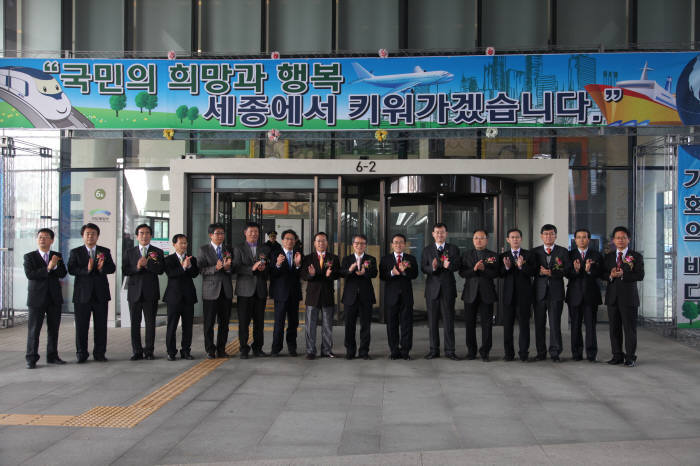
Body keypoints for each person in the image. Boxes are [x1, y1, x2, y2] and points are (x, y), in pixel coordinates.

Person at [67, 223, 116, 363]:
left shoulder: (104, 251)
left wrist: (101, 268)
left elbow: (112, 268)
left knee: (101, 327)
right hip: (82, 296)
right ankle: (81, 354)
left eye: (93, 233)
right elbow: (71, 269)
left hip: (100, 295)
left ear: (97, 236)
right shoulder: (76, 252)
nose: (90, 236)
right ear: (83, 236)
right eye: (87, 233)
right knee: (82, 327)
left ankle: (100, 353)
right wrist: (87, 269)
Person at [23, 228, 67, 369]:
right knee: (34, 330)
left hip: (54, 298)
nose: (42, 239)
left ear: (52, 240)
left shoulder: (57, 255)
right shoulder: (29, 257)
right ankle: (31, 358)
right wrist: (48, 268)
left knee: (54, 329)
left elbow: (63, 273)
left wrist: (54, 267)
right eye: (40, 237)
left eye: (46, 237)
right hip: (36, 299)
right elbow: (30, 274)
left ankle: (52, 356)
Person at [603, 226, 645, 367]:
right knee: (614, 329)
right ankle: (617, 356)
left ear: (629, 239)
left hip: (629, 298)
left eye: (623, 237)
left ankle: (630, 357)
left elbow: (640, 275)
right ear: (613, 240)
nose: (620, 240)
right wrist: (610, 275)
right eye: (617, 238)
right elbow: (602, 274)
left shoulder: (636, 256)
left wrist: (624, 275)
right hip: (612, 298)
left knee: (629, 329)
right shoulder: (608, 257)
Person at [122, 223, 165, 360]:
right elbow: (125, 270)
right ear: (137, 236)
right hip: (134, 292)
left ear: (151, 235)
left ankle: (149, 351)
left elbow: (160, 270)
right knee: (135, 323)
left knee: (150, 323)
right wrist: (137, 267)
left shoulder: (157, 252)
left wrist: (148, 265)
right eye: (141, 233)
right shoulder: (130, 252)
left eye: (147, 233)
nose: (144, 236)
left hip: (150, 292)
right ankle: (137, 351)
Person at [421, 223, 461, 360]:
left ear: (446, 234)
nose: (440, 235)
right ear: (433, 234)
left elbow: (458, 266)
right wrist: (432, 268)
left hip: (448, 289)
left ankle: (450, 351)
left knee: (449, 321)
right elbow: (423, 267)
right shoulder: (427, 250)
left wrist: (449, 266)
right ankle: (433, 350)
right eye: (437, 232)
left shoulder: (453, 249)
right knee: (432, 322)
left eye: (442, 232)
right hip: (432, 290)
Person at [532, 224, 571, 362]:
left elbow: (567, 270)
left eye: (551, 234)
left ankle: (555, 352)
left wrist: (552, 273)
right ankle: (541, 352)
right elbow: (530, 269)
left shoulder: (563, 252)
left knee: (555, 324)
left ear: (555, 235)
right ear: (541, 236)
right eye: (546, 234)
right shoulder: (535, 251)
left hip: (556, 292)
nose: (548, 236)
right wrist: (539, 271)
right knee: (539, 324)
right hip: (539, 293)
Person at [459, 229, 499, 362]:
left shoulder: (493, 255)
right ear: (473, 240)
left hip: (487, 293)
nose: (479, 240)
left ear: (487, 240)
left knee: (487, 324)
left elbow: (496, 274)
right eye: (476, 238)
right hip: (470, 293)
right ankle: (471, 351)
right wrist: (474, 270)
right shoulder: (466, 255)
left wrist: (484, 270)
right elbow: (462, 273)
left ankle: (485, 352)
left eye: (482, 238)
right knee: (469, 324)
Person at [233, 222, 270, 359]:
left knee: (259, 322)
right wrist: (251, 269)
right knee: (244, 322)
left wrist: (264, 268)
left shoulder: (265, 248)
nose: (254, 234)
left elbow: (269, 267)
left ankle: (258, 348)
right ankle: (243, 348)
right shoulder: (238, 248)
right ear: (245, 233)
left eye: (256, 231)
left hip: (260, 290)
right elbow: (236, 268)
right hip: (244, 291)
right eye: (251, 231)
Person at [301, 232, 340, 360]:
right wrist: (311, 275)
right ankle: (311, 351)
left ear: (327, 243)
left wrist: (330, 275)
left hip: (327, 295)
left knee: (327, 325)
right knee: (310, 326)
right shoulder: (307, 258)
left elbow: (337, 274)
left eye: (323, 241)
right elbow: (304, 275)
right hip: (312, 296)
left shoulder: (333, 258)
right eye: (318, 241)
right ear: (314, 243)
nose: (321, 243)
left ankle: (327, 350)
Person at [565, 228, 603, 362]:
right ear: (575, 240)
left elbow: (601, 273)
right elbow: (566, 273)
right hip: (574, 295)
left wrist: (588, 271)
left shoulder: (596, 255)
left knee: (591, 326)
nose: (581, 239)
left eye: (584, 237)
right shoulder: (569, 255)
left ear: (589, 239)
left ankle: (591, 354)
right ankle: (576, 353)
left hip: (591, 296)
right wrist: (575, 270)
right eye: (579, 237)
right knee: (575, 326)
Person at [379, 233, 418, 360]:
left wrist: (405, 271)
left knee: (407, 324)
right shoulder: (385, 259)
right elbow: (382, 276)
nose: (398, 244)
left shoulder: (411, 258)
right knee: (392, 324)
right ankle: (394, 351)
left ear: (405, 244)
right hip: (391, 297)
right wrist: (392, 272)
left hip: (406, 296)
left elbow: (415, 274)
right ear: (392, 245)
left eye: (401, 242)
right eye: (395, 242)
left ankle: (405, 351)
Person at [197, 223, 233, 359]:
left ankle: (221, 349)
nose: (220, 236)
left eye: (222, 233)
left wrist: (228, 267)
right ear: (210, 235)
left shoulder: (228, 249)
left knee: (224, 323)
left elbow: (232, 269)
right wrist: (215, 268)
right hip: (210, 291)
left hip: (226, 291)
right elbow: (200, 269)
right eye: (217, 233)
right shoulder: (204, 250)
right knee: (209, 323)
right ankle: (210, 349)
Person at [499, 228, 536, 362]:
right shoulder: (503, 256)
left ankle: (523, 353)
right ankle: (508, 354)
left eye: (517, 237)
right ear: (508, 240)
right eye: (512, 237)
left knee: (524, 326)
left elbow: (533, 272)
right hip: (508, 297)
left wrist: (521, 266)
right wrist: (507, 267)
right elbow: (500, 274)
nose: (515, 239)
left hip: (524, 297)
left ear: (521, 239)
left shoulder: (529, 255)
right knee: (507, 327)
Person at [340, 234, 378, 360]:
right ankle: (350, 351)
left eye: (362, 243)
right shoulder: (347, 259)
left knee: (365, 326)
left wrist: (365, 273)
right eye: (357, 243)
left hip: (366, 297)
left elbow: (374, 273)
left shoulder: (371, 259)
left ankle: (364, 352)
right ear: (353, 245)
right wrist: (350, 270)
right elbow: (341, 273)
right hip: (350, 297)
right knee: (349, 326)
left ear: (365, 245)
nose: (359, 245)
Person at [163, 234, 199, 361]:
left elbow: (195, 274)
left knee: (188, 326)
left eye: (185, 243)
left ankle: (186, 351)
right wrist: (183, 267)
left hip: (188, 297)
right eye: (181, 243)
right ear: (174, 245)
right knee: (172, 326)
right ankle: (171, 352)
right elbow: (171, 274)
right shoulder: (168, 259)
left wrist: (189, 266)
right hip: (173, 297)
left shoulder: (191, 259)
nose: (184, 245)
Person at [269, 229, 303, 357]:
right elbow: (272, 273)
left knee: (294, 323)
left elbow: (301, 274)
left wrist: (298, 265)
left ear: (295, 241)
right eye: (287, 238)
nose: (289, 241)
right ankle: (276, 348)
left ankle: (292, 347)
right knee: (279, 322)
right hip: (280, 293)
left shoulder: (299, 254)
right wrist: (277, 264)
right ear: (282, 240)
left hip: (294, 294)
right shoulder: (275, 253)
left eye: (292, 239)